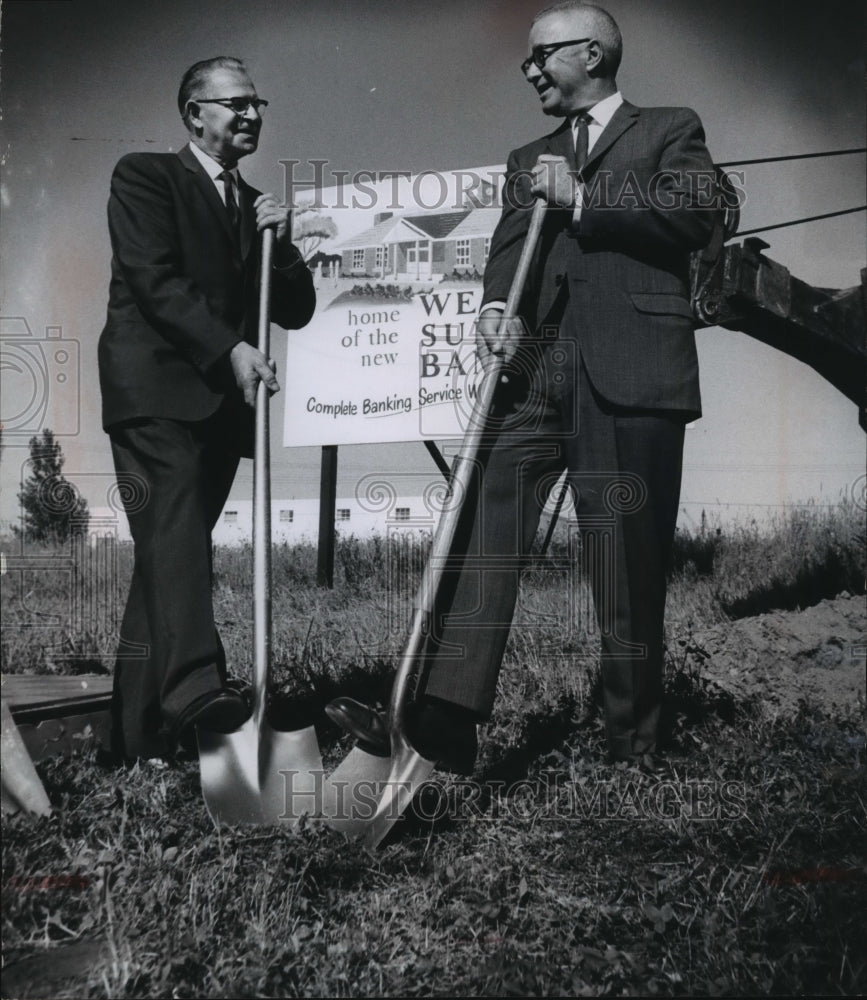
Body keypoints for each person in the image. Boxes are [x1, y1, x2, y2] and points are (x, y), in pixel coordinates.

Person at [327, 2, 717, 771]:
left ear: (594, 53)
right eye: (526, 60)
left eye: (541, 55)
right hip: (538, 370)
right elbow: (510, 253)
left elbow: (697, 211)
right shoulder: (525, 157)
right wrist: (498, 307)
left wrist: (583, 198)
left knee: (624, 559)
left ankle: (631, 743)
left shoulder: (668, 127)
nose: (529, 69)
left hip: (631, 369)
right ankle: (443, 714)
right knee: (483, 522)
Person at [100, 56, 315, 761]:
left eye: (259, 103)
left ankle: (133, 742)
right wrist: (229, 348)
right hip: (155, 391)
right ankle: (197, 693)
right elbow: (153, 279)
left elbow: (298, 309)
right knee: (176, 542)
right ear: (195, 113)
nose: (253, 114)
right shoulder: (146, 176)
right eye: (237, 103)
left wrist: (278, 244)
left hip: (222, 407)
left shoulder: (255, 207)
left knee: (167, 557)